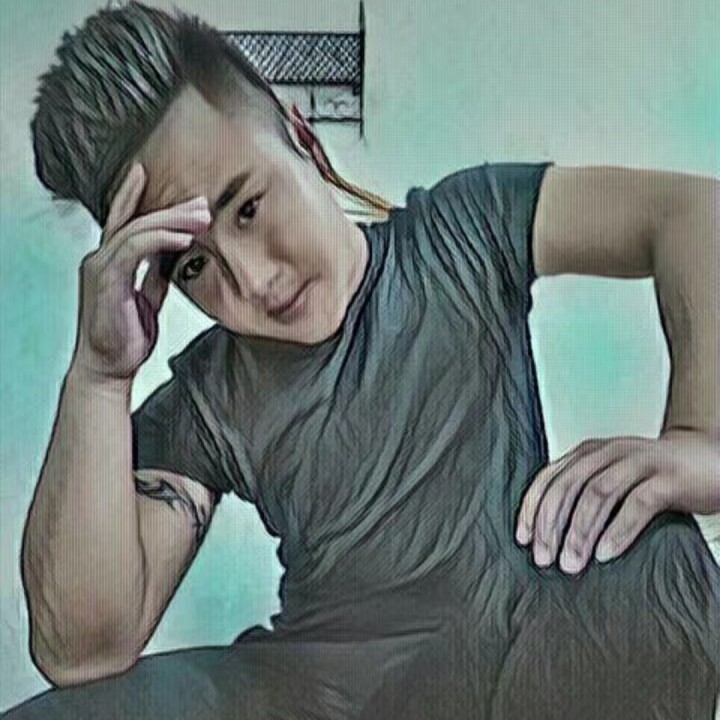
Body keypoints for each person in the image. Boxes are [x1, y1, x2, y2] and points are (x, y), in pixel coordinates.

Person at [4, 2, 719, 718]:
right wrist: (100, 376)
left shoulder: (460, 238)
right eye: (191, 265)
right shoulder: (210, 395)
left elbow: (692, 213)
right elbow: (82, 654)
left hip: (525, 664)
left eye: (248, 208)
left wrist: (701, 441)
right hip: (316, 696)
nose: (253, 281)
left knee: (659, 563)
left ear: (302, 139)